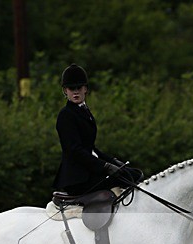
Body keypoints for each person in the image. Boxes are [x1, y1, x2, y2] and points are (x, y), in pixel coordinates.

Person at [53, 64, 141, 196]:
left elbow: (91, 148)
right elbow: (75, 151)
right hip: (78, 178)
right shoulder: (66, 115)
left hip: (88, 171)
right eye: (71, 88)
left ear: (85, 89)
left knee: (135, 174)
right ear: (65, 90)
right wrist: (105, 166)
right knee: (125, 178)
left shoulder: (84, 111)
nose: (76, 92)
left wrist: (113, 161)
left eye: (79, 88)